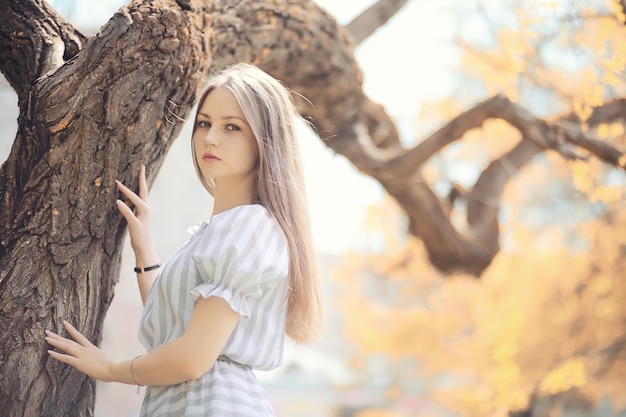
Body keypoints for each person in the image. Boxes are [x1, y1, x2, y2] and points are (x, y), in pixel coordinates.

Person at [45, 62, 323, 416]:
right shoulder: (219, 233)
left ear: (265, 141)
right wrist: (142, 244)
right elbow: (172, 323)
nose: (210, 137)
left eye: (232, 127)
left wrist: (111, 369)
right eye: (204, 123)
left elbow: (192, 358)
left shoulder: (249, 227)